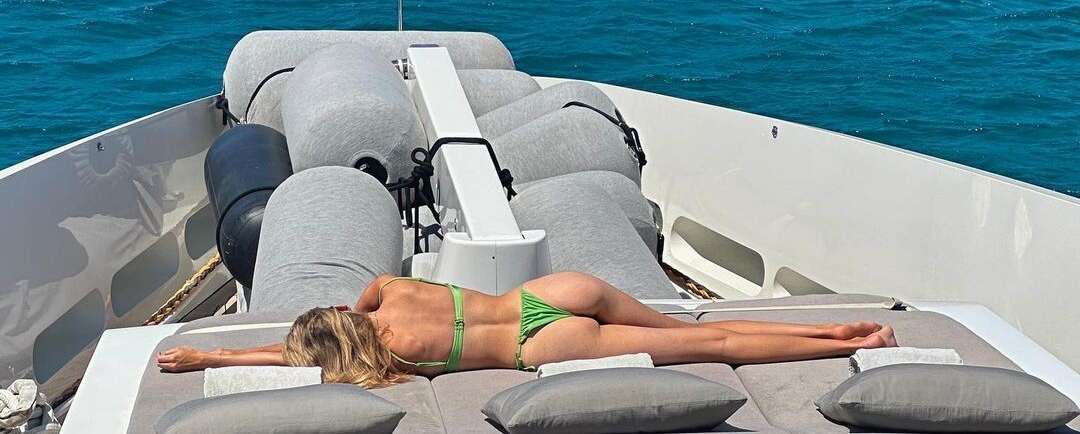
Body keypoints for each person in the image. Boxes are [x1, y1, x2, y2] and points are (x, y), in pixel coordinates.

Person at [157, 271, 897, 388]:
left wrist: (212, 355)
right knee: (701, 326)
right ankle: (839, 327)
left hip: (538, 344)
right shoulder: (387, 292)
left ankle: (852, 344)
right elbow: (338, 323)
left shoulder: (391, 354)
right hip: (551, 291)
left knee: (712, 348)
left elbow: (293, 361)